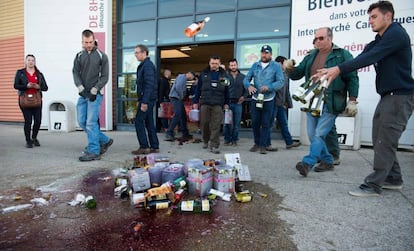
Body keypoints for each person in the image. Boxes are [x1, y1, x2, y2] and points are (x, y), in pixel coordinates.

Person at [321, 1, 414, 197]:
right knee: (380, 137)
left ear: (387, 16)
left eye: (374, 17)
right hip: (388, 96)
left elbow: (369, 58)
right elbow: (363, 56)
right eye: (369, 17)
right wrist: (333, 68)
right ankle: (393, 178)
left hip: (400, 96)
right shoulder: (380, 39)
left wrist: (338, 69)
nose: (369, 21)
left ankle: (373, 185)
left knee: (384, 140)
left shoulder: (396, 34)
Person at [285, 27, 359, 176]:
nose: (317, 41)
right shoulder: (311, 55)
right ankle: (327, 160)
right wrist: (290, 69)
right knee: (312, 134)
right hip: (312, 100)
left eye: (321, 38)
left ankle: (308, 162)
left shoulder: (342, 55)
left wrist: (352, 100)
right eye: (316, 38)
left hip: (332, 100)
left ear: (330, 38)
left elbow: (352, 78)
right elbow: (298, 73)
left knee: (319, 133)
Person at [73, 29, 113, 161]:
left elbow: (105, 76)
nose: (88, 44)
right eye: (86, 42)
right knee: (82, 121)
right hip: (83, 94)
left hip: (95, 95)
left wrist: (95, 89)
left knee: (90, 123)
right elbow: (75, 73)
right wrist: (80, 87)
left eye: (90, 42)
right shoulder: (79, 56)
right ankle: (105, 140)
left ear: (94, 39)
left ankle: (94, 151)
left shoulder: (102, 56)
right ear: (82, 42)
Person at [243, 45, 284, 154]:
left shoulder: (276, 66)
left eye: (266, 53)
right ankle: (257, 143)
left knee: (266, 123)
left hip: (269, 99)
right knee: (255, 122)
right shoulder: (255, 65)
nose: (264, 55)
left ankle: (263, 145)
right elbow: (246, 79)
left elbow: (281, 82)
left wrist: (269, 87)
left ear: (271, 54)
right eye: (262, 53)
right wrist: (249, 86)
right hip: (256, 98)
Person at [192, 56, 229, 154]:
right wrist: (195, 101)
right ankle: (205, 140)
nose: (214, 65)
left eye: (216, 63)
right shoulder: (204, 74)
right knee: (204, 123)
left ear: (219, 63)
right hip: (205, 102)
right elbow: (198, 88)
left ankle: (214, 145)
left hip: (218, 103)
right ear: (209, 63)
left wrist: (226, 103)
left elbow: (227, 90)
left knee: (216, 124)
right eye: (212, 63)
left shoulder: (224, 75)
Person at [14, 54, 48, 148]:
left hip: (37, 100)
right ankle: (28, 140)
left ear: (35, 62)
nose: (31, 62)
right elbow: (16, 85)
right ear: (25, 61)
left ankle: (34, 138)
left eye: (32, 60)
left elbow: (45, 87)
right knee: (28, 121)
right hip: (25, 100)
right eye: (29, 60)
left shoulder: (39, 74)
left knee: (37, 121)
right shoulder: (20, 73)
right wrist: (26, 86)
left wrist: (39, 86)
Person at [267, 56, 301, 150]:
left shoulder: (284, 74)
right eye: (285, 62)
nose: (286, 64)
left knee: (284, 123)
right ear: (280, 63)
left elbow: (286, 91)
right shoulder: (272, 74)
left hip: (281, 104)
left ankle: (289, 142)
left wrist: (288, 103)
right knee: (269, 124)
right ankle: (266, 144)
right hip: (273, 103)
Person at [131, 44, 160, 155]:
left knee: (139, 121)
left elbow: (149, 85)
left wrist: (144, 101)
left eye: (137, 52)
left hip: (147, 99)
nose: (136, 55)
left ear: (144, 53)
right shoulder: (145, 65)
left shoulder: (147, 66)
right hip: (147, 99)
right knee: (149, 122)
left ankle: (144, 146)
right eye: (135, 53)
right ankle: (154, 146)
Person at [165, 71, 196, 141]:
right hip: (176, 98)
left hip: (177, 98)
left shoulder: (182, 78)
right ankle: (169, 132)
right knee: (178, 114)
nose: (191, 80)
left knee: (183, 115)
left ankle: (185, 132)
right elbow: (178, 87)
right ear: (189, 74)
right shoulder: (182, 77)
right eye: (192, 78)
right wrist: (182, 96)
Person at [224, 58, 247, 146]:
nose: (233, 67)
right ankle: (227, 139)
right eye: (231, 65)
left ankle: (234, 140)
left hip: (238, 103)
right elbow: (223, 90)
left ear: (237, 65)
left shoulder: (243, 77)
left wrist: (243, 97)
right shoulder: (225, 77)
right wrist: (224, 103)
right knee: (227, 123)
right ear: (229, 66)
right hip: (228, 103)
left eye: (234, 65)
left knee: (236, 124)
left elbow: (247, 89)